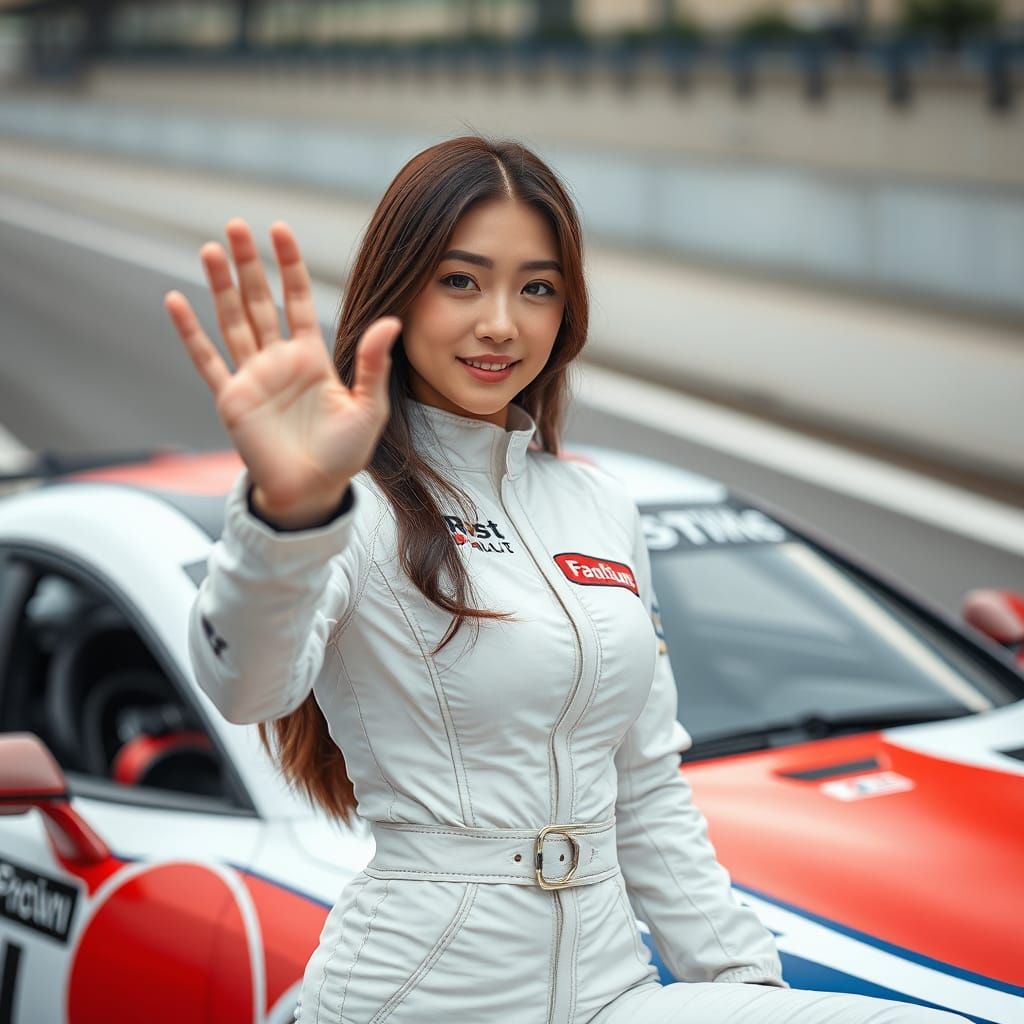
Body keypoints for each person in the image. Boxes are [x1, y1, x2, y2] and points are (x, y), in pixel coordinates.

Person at [165, 136, 970, 1024]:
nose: (502, 322)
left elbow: (648, 787)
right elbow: (246, 686)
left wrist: (745, 987)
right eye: (461, 281)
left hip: (609, 990)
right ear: (397, 292)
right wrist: (288, 514)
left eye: (536, 287)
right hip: (417, 992)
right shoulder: (342, 506)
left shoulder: (600, 505)